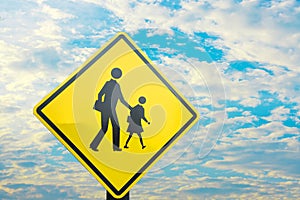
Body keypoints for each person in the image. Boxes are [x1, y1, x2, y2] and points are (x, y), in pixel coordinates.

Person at [90, 68, 131, 151]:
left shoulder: (117, 85)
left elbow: (121, 99)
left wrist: (130, 108)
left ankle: (113, 147)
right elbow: (100, 94)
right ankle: (94, 145)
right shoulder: (108, 84)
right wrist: (101, 104)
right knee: (107, 128)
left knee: (112, 127)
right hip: (106, 109)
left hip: (111, 110)